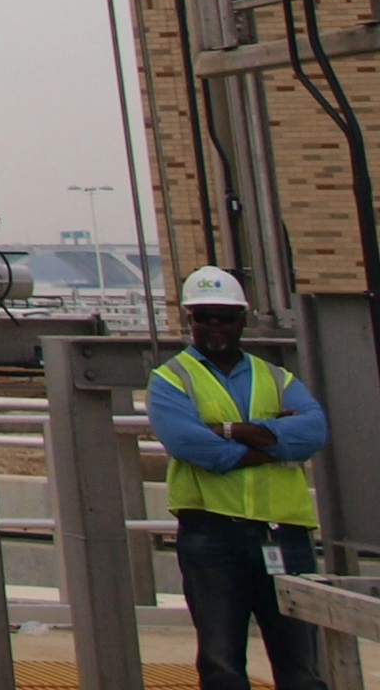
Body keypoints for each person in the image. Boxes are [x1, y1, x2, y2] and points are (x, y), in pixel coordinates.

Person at [148, 265, 328, 690]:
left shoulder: (277, 377)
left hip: (285, 534)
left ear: (241, 320)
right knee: (221, 665)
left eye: (225, 316)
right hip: (212, 535)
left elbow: (314, 431)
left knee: (301, 668)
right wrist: (270, 443)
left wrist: (227, 430)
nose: (215, 325)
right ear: (189, 319)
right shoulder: (171, 379)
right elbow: (190, 445)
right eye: (204, 315)